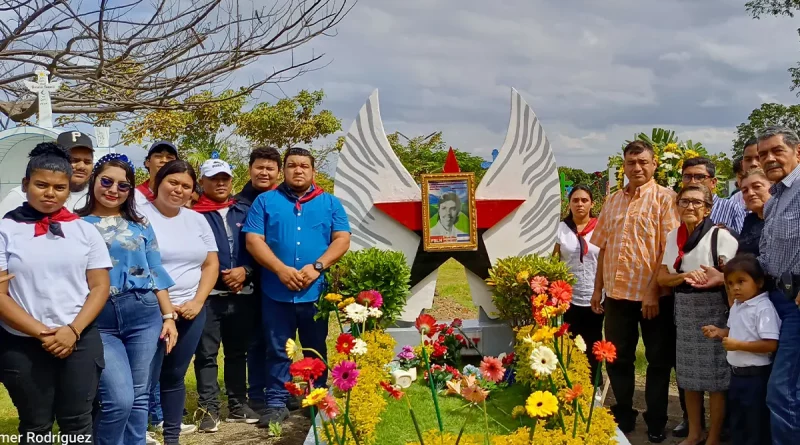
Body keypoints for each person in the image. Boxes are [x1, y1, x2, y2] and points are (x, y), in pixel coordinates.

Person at [0, 143, 112, 444]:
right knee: (35, 424)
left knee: (78, 422)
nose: (50, 193)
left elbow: (99, 286)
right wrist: (43, 334)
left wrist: (72, 330)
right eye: (41, 185)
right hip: (23, 343)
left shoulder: (85, 231)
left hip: (78, 338)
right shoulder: (5, 230)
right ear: (25, 185)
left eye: (59, 187)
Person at [243, 147, 351, 427]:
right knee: (278, 348)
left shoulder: (330, 203)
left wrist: (317, 267)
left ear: (313, 171)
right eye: (292, 165)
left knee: (315, 347)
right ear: (284, 170)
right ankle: (277, 402)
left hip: (314, 291)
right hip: (275, 290)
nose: (298, 170)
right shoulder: (265, 202)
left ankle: (316, 398)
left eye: (304, 165)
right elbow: (254, 240)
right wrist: (280, 269)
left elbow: (341, 239)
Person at [77, 153, 179, 445]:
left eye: (123, 186)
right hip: (99, 316)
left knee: (140, 396)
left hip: (143, 312)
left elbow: (155, 268)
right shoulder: (77, 224)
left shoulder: (140, 222)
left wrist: (169, 316)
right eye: (107, 181)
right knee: (118, 399)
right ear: (94, 180)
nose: (113, 190)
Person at [590, 140, 679, 443]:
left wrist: (652, 292)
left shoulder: (666, 199)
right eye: (631, 162)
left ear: (655, 165)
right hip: (616, 297)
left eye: (643, 162)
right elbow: (603, 248)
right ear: (624, 166)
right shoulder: (613, 201)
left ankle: (656, 420)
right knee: (618, 358)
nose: (637, 168)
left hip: (653, 299)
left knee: (657, 361)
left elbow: (668, 252)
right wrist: (597, 290)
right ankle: (624, 413)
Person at [140, 160, 219, 445]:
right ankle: (138, 435)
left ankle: (171, 437)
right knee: (143, 380)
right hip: (150, 311)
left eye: (186, 186)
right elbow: (142, 265)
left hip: (190, 311)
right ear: (158, 182)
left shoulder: (197, 219)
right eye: (173, 182)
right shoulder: (138, 216)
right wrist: (165, 310)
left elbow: (211, 264)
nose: (179, 189)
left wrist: (198, 302)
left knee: (174, 376)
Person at [657, 184, 738, 445]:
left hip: (715, 309)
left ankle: (713, 436)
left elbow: (738, 278)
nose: (689, 207)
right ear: (677, 206)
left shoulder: (720, 237)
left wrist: (718, 281)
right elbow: (662, 277)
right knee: (688, 375)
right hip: (685, 310)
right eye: (684, 202)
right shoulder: (673, 237)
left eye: (696, 202)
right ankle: (695, 433)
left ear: (707, 208)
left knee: (716, 378)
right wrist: (684, 276)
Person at [192, 158, 260, 431]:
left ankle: (237, 405)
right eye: (213, 179)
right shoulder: (193, 214)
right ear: (202, 182)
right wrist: (219, 275)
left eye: (225, 179)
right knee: (207, 354)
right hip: (209, 296)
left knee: (237, 353)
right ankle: (208, 409)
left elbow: (260, 247)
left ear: (232, 181)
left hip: (242, 293)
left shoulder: (245, 210)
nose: (220, 183)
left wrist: (247, 270)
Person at [703, 254, 780, 445]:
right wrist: (720, 332)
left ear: (759, 282)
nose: (735, 288)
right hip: (736, 376)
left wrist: (738, 346)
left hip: (756, 378)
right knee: (738, 423)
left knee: (755, 426)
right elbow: (734, 330)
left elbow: (771, 344)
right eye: (730, 283)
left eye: (741, 281)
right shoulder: (737, 306)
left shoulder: (763, 308)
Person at [755, 126, 800, 443]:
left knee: (781, 393)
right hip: (777, 301)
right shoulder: (775, 199)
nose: (768, 159)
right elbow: (768, 256)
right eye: (762, 155)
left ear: (798, 151)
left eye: (776, 151)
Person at [237, 147, 287, 416]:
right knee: (255, 340)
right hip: (247, 282)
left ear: (278, 172)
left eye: (270, 168)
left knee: (279, 340)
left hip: (278, 280)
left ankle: (281, 390)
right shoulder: (237, 203)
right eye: (259, 167)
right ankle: (256, 394)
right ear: (250, 169)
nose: (264, 172)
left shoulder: (285, 200)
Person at [552, 185, 603, 379]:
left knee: (594, 339)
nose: (580, 204)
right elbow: (553, 261)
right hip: (569, 296)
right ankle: (574, 381)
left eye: (584, 200)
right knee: (572, 340)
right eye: (575, 200)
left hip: (597, 293)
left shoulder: (600, 227)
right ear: (569, 204)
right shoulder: (561, 229)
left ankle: (595, 382)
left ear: (592, 203)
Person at [0, 131, 95, 216]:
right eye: (74, 160)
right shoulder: (20, 195)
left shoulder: (97, 197)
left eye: (87, 162)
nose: (81, 167)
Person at [681, 157, 746, 234]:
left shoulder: (732, 208)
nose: (693, 182)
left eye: (699, 177)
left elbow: (742, 242)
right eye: (687, 177)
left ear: (713, 182)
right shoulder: (679, 208)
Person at [736, 169, 772, 256]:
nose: (750, 193)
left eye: (757, 186)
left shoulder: (781, 219)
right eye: (745, 191)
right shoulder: (750, 220)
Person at [135, 141, 179, 205]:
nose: (164, 160)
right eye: (158, 156)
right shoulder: (134, 196)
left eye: (169, 157)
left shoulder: (183, 196)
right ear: (147, 162)